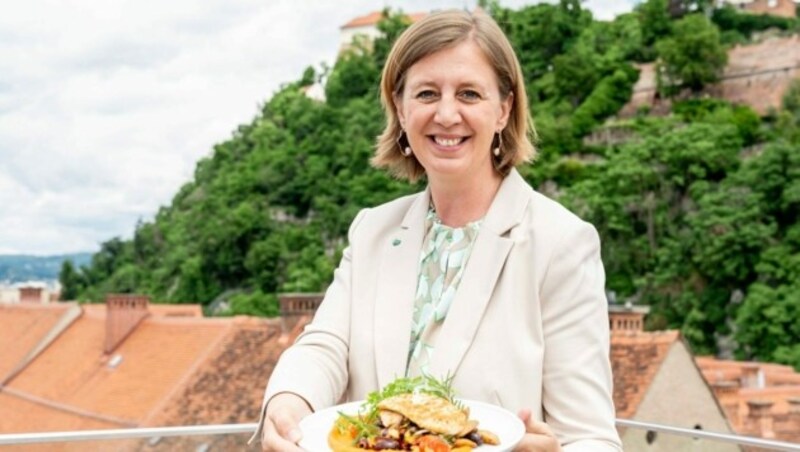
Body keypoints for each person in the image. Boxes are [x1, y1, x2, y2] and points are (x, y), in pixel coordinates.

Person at [254, 9, 622, 452]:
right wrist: (289, 402)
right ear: (401, 108)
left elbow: (592, 439)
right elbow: (325, 346)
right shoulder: (372, 230)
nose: (447, 114)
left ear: (504, 109)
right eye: (427, 93)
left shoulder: (560, 243)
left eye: (469, 94)